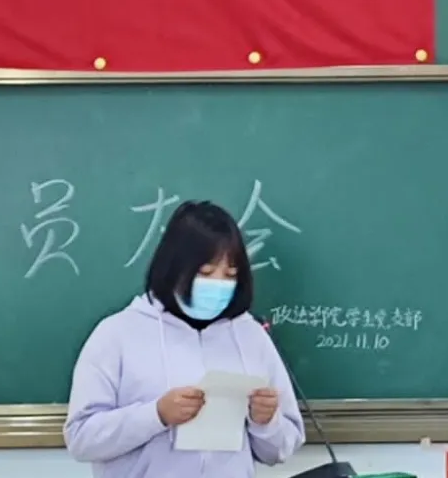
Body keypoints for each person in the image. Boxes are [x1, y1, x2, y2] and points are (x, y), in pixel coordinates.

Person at [64, 200, 306, 477]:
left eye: (230, 275)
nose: (219, 285)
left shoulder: (251, 335)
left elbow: (281, 449)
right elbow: (81, 438)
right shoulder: (117, 334)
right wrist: (156, 414)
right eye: (206, 273)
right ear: (174, 267)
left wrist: (266, 422)